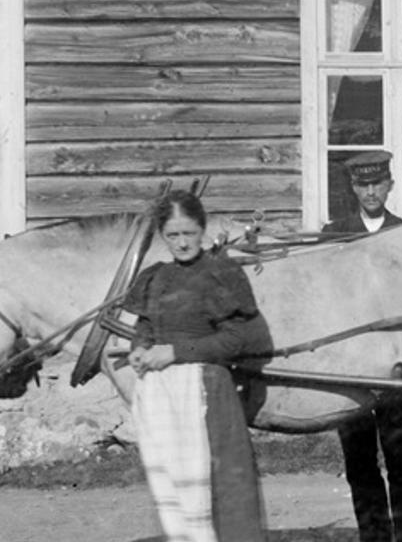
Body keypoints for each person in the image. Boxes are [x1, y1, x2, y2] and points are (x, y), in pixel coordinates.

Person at [125, 189, 273, 542]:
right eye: (172, 235)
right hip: (162, 395)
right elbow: (146, 325)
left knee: (220, 484)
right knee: (174, 485)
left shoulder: (220, 272)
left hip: (208, 391)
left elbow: (241, 339)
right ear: (163, 236)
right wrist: (139, 347)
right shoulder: (155, 276)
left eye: (188, 233)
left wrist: (176, 352)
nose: (181, 243)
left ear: (202, 229)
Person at [326, 151, 402, 542]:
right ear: (353, 188)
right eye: (362, 185)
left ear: (390, 185)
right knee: (359, 461)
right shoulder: (333, 234)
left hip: (398, 367)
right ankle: (373, 536)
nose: (370, 191)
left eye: (377, 183)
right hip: (351, 369)